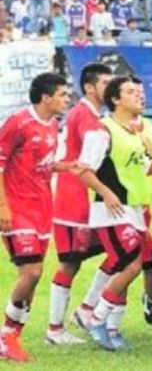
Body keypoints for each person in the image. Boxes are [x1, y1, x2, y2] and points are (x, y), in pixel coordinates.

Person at [77, 75, 152, 351]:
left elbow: (148, 169)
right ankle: (95, 316)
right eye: (131, 92)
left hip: (135, 210)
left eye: (140, 91)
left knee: (148, 262)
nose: (139, 95)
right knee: (132, 264)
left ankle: (107, 320)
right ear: (115, 99)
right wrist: (107, 192)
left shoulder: (134, 132)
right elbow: (83, 169)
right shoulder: (101, 130)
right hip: (112, 211)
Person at [0, 73, 73, 362]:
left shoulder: (53, 126)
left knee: (32, 274)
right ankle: (5, 336)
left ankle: (12, 336)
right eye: (63, 94)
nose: (67, 99)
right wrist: (3, 207)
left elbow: (40, 165)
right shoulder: (18, 122)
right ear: (46, 98)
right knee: (31, 272)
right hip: (17, 209)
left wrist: (67, 166)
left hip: (42, 208)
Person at [49, 65, 114, 350]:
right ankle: (58, 325)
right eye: (105, 82)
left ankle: (85, 310)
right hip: (75, 199)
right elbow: (88, 164)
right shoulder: (86, 116)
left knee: (123, 251)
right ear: (89, 87)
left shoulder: (87, 115)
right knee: (73, 261)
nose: (109, 87)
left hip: (78, 197)